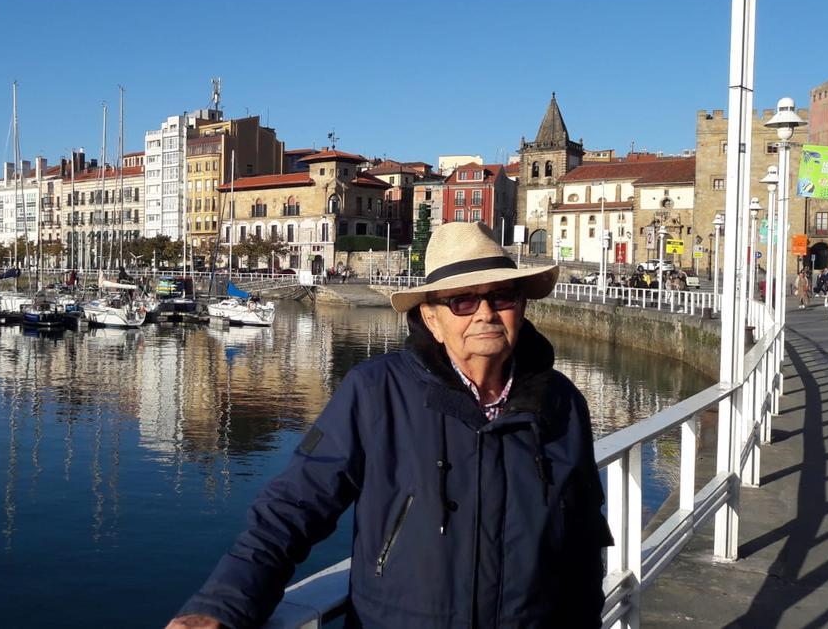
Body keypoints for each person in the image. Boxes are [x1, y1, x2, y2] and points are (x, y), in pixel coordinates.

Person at [168, 222, 612, 629]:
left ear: (522, 306)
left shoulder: (561, 403)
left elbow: (582, 542)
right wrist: (220, 606)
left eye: (501, 297)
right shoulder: (375, 391)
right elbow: (292, 510)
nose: (485, 314)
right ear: (432, 319)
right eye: (462, 300)